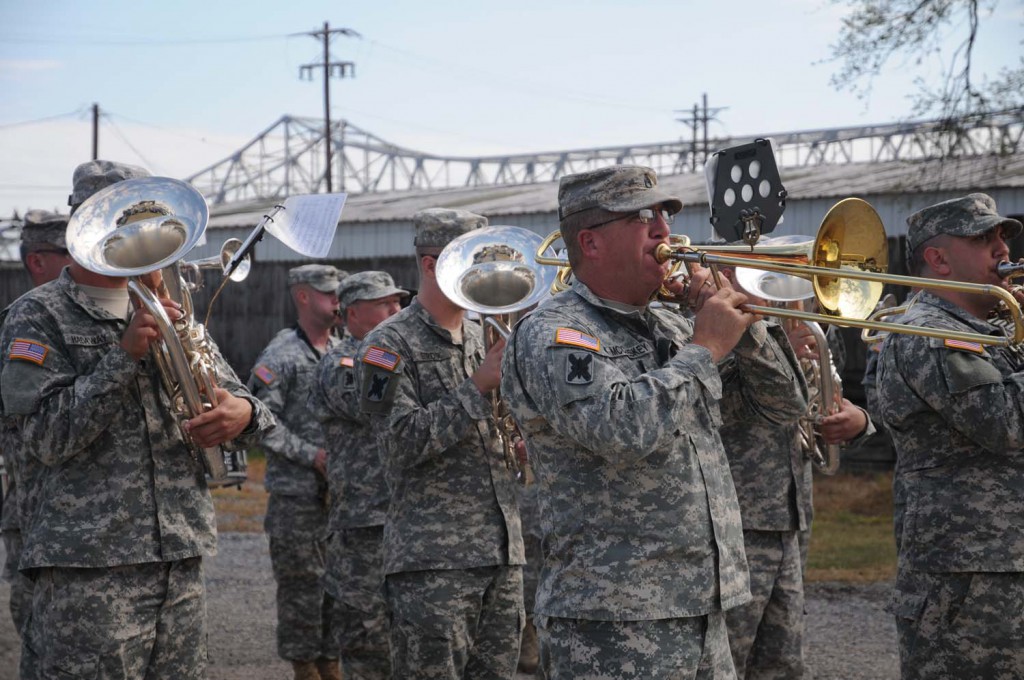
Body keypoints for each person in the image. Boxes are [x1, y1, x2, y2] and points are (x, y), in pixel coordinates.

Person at [500, 165, 808, 679]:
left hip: (700, 602)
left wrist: (743, 328)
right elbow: (619, 430)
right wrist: (705, 348)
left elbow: (784, 408)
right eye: (643, 217)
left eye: (665, 214)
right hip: (611, 617)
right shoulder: (553, 331)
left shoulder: (671, 323)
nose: (664, 229)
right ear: (591, 243)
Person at [0, 159, 275, 679]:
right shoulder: (36, 316)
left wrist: (242, 413)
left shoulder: (172, 307)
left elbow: (247, 403)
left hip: (179, 557)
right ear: (81, 221)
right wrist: (121, 358)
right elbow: (43, 438)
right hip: (87, 568)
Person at [358, 207, 525, 679]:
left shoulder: (486, 333)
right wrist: (477, 388)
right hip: (432, 564)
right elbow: (397, 444)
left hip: (502, 552)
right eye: (470, 260)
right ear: (430, 265)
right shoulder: (385, 345)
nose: (483, 274)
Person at [876, 193, 1024, 679]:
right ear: (937, 259)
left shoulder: (993, 330)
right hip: (969, 582)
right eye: (983, 239)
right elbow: (1005, 425)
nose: (1002, 250)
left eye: (1001, 236)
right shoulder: (928, 333)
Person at [720, 314, 872, 679]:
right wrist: (771, 347)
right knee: (724, 658)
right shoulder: (706, 322)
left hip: (792, 513)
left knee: (783, 663)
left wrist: (857, 423)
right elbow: (709, 402)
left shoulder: (807, 320)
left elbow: (818, 400)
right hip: (733, 520)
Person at [247, 263, 346, 680]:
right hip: (297, 497)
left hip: (338, 497)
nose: (336, 301)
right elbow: (258, 423)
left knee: (337, 587)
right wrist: (311, 455)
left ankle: (332, 662)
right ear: (302, 296)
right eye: (327, 293)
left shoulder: (342, 351)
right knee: (302, 589)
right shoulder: (281, 355)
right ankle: (305, 666)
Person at [307, 270, 407, 679]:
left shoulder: (389, 356)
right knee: (369, 640)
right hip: (363, 524)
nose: (397, 310)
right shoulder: (341, 363)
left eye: (398, 302)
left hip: (401, 517)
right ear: (353, 312)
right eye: (386, 304)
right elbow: (377, 406)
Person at [1, 209, 73, 639]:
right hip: (35, 507)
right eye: (68, 250)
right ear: (37, 262)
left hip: (92, 515)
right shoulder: (16, 325)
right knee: (40, 630)